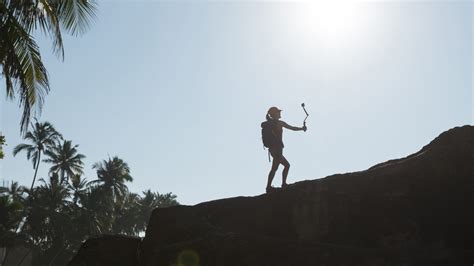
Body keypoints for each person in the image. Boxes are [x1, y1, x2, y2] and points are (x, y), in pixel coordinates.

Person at [264, 106, 306, 193]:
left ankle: (280, 184)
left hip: (272, 149)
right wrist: (302, 128)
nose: (280, 113)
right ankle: (271, 187)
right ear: (275, 114)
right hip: (278, 148)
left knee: (285, 165)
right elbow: (292, 128)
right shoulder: (279, 123)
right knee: (275, 168)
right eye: (278, 112)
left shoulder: (270, 124)